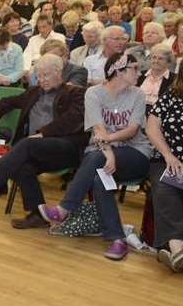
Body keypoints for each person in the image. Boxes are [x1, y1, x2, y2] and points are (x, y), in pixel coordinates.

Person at [39, 53, 152, 260]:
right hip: (102, 153)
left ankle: (64, 209)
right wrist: (108, 153)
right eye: (134, 68)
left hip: (135, 152)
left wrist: (106, 146)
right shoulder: (94, 93)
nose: (140, 72)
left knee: (94, 159)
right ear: (119, 71)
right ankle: (117, 240)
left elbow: (132, 130)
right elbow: (97, 129)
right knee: (100, 179)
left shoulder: (137, 94)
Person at [0, 54, 87, 209]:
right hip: (37, 149)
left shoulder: (76, 93)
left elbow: (72, 120)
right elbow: (10, 101)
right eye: (38, 76)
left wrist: (43, 133)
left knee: (26, 144)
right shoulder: (34, 92)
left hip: (66, 148)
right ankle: (37, 213)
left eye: (45, 75)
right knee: (22, 166)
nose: (41, 80)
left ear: (59, 72)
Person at [144, 69, 183, 273]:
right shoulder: (171, 95)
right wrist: (168, 154)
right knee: (165, 188)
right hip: (167, 159)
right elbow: (152, 127)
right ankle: (178, 250)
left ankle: (173, 253)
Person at [137, 43, 174, 113]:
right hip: (136, 112)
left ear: (168, 62)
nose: (156, 61)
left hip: (160, 115)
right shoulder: (139, 75)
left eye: (160, 59)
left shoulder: (174, 80)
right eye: (154, 57)